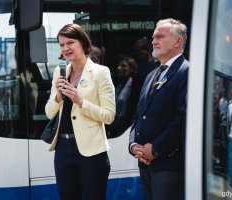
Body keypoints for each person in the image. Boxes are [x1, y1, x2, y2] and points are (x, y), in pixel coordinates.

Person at [45, 23, 115, 200]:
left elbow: (109, 115)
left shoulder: (100, 72)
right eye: (61, 45)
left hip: (92, 152)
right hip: (63, 150)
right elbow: (49, 113)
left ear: (83, 42)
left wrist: (80, 101)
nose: (65, 48)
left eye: (70, 42)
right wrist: (58, 97)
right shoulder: (59, 72)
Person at [129, 18, 189, 200]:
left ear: (177, 41)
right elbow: (138, 116)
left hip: (169, 165)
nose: (153, 41)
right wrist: (133, 145)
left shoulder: (187, 71)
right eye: (153, 37)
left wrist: (155, 149)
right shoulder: (151, 75)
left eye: (160, 37)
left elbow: (183, 118)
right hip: (146, 165)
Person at [106, 56, 138, 137]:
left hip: (126, 125)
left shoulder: (135, 87)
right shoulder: (117, 84)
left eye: (123, 66)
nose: (119, 68)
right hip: (114, 123)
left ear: (131, 69)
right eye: (119, 66)